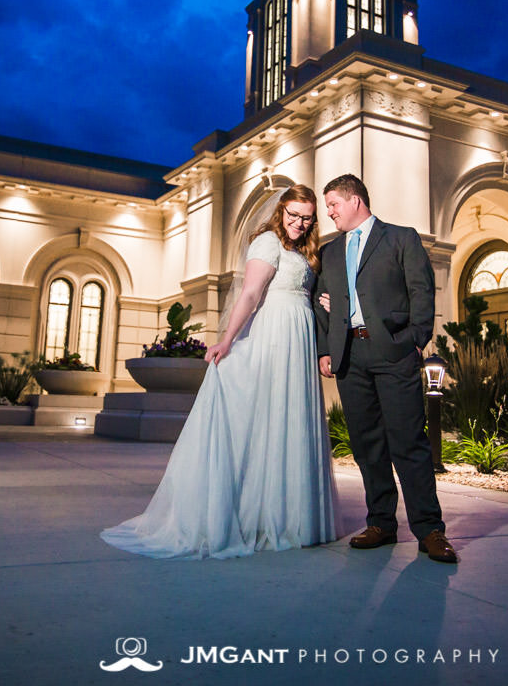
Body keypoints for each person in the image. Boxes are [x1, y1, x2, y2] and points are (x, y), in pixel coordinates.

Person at [100, 184, 338, 559]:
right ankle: (262, 515)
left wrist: (321, 300)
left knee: (291, 421)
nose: (299, 223)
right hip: (275, 334)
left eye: (307, 217)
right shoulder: (267, 242)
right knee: (269, 418)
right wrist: (226, 340)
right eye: (292, 215)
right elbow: (250, 295)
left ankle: (294, 515)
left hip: (300, 335)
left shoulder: (304, 249)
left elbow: (305, 290)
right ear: (281, 212)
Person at [315, 174, 457, 563]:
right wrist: (326, 349)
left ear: (355, 200)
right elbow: (320, 301)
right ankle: (381, 523)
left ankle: (430, 531)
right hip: (350, 358)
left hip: (394, 353)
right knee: (366, 445)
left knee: (409, 444)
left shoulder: (401, 238)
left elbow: (422, 291)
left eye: (333, 205)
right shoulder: (330, 251)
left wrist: (415, 338)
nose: (329, 213)